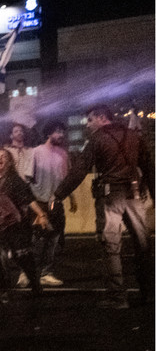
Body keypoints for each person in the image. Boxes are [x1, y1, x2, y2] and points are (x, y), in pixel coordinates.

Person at [53, 105, 154, 309]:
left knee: (111, 247)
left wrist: (59, 194)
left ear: (101, 118)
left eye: (90, 120)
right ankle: (149, 294)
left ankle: (117, 297)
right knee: (143, 246)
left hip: (110, 196)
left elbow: (80, 170)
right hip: (134, 195)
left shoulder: (97, 140)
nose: (88, 125)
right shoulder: (134, 136)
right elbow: (149, 167)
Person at [0, 149, 48, 297]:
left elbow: (27, 198)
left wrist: (41, 214)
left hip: (15, 225)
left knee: (21, 256)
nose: (0, 158)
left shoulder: (15, 180)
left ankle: (34, 283)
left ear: (9, 162)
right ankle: (4, 289)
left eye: (4, 156)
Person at [27, 121, 77, 288]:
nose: (60, 135)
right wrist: (29, 203)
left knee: (53, 240)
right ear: (48, 133)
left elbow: (67, 180)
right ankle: (29, 273)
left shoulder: (63, 154)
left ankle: (46, 273)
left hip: (56, 203)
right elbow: (28, 179)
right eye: (57, 131)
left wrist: (72, 198)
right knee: (36, 241)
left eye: (62, 132)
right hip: (39, 202)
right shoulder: (35, 152)